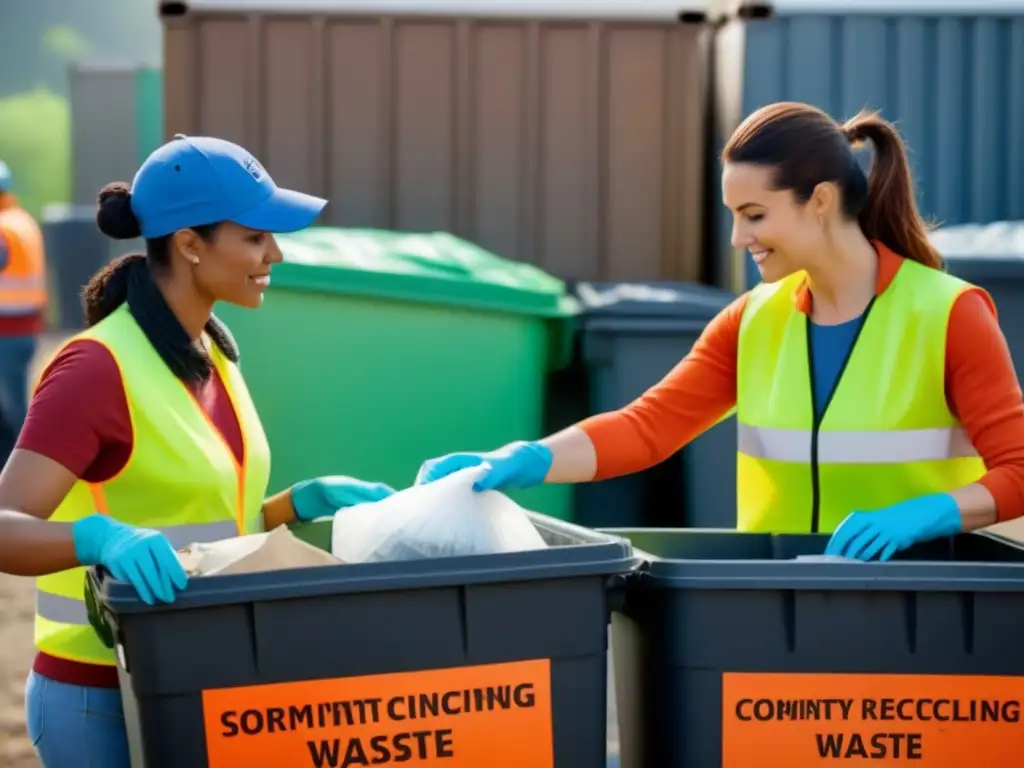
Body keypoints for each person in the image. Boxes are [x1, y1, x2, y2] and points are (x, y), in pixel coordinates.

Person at [416, 101, 1024, 562]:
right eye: (734, 216)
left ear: (819, 200)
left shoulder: (949, 314)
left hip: (917, 605)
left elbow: (1018, 472)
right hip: (773, 604)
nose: (738, 239)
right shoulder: (752, 319)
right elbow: (646, 428)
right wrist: (524, 458)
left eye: (755, 215)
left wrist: (925, 515)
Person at [0, 135, 396, 768]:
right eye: (255, 237)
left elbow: (199, 531)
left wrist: (291, 505)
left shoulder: (210, 353)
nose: (276, 253)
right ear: (189, 244)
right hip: (100, 700)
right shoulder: (95, 369)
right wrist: (99, 538)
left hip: (198, 681)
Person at [0, 159, 47, 464]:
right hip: (26, 328)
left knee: (11, 407)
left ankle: (15, 471)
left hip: (8, 331)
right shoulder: (22, 220)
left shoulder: (3, 227)